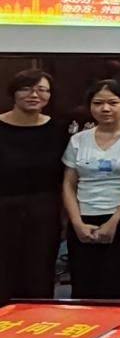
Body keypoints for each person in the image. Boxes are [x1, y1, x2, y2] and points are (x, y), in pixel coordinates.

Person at [62, 79, 120, 299]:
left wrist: (114, 221)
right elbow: (68, 183)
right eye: (98, 103)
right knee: (84, 287)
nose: (105, 108)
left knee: (117, 286)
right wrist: (76, 222)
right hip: (83, 219)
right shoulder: (78, 139)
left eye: (113, 103)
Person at [0, 70, 69, 302]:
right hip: (3, 207)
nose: (34, 95)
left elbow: (65, 175)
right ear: (13, 93)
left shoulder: (58, 129)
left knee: (40, 269)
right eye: (27, 89)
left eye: (42, 90)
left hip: (44, 210)